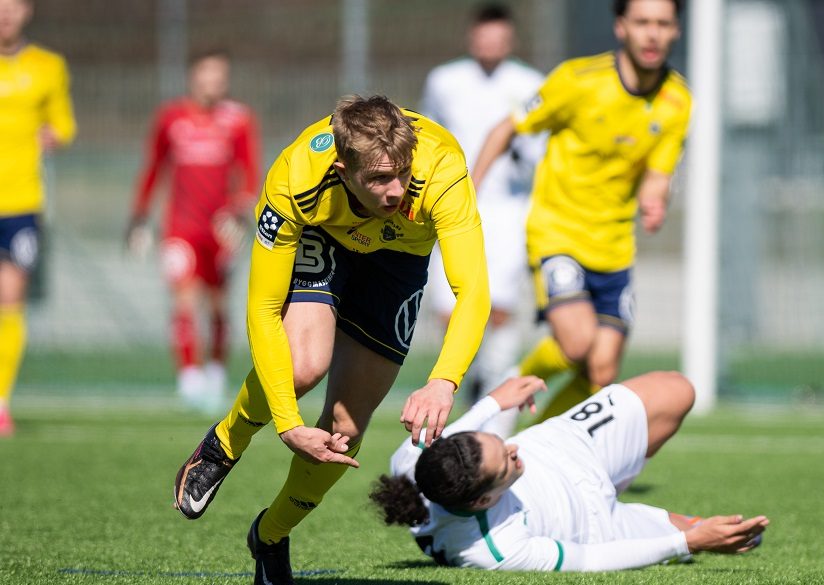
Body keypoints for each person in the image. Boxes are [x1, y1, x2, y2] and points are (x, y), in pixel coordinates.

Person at [172, 95, 490, 585]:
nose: (395, 190)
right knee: (302, 368)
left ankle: (272, 534)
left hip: (400, 263)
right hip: (326, 235)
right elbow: (261, 308)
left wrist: (444, 381)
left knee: (345, 428)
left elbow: (473, 292)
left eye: (402, 174)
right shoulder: (296, 178)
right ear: (342, 169)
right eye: (378, 179)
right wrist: (285, 422)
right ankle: (224, 444)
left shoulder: (443, 168)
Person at [472, 0, 692, 419]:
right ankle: (511, 381)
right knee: (576, 344)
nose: (652, 33)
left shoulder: (677, 100)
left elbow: (658, 173)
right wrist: (472, 186)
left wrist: (654, 200)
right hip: (558, 233)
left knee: (602, 368)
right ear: (621, 27)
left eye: (663, 24)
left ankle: (537, 446)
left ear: (676, 31)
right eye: (642, 22)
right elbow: (507, 127)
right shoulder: (578, 80)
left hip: (614, 246)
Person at [370, 371, 769, 570]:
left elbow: (454, 435)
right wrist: (688, 543)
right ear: (483, 501)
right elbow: (591, 559)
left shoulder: (412, 461)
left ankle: (625, 466)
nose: (512, 448)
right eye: (506, 461)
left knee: (677, 388)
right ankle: (663, 517)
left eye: (499, 442)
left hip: (566, 443)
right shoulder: (493, 550)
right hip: (596, 523)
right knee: (736, 537)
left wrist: (495, 402)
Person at [420, 3, 545, 436]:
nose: (489, 43)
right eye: (483, 34)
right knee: (447, 307)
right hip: (450, 207)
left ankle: (499, 408)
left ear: (509, 39)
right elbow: (428, 136)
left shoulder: (529, 83)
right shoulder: (444, 80)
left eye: (498, 36)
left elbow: (539, 151)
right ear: (473, 36)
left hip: (506, 210)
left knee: (502, 307)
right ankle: (457, 388)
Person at [127, 49, 261, 412]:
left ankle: (216, 373)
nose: (212, 83)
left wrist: (238, 212)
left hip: (221, 232)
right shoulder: (171, 118)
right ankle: (188, 377)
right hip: (180, 229)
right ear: (193, 77)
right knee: (184, 299)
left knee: (218, 306)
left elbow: (249, 172)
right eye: (206, 74)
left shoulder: (238, 119)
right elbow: (153, 168)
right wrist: (139, 217)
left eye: (220, 76)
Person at [0, 0, 76, 437]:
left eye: (13, 6)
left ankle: (2, 400)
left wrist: (55, 135)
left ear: (27, 11)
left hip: (21, 202)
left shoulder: (48, 66)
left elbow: (64, 124)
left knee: (10, 300)